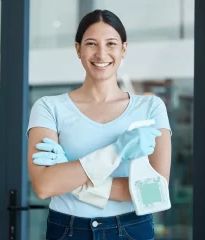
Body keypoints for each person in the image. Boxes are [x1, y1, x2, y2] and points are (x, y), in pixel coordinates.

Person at [27, 10, 172, 239]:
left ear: (124, 49)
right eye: (91, 44)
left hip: (132, 229)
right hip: (68, 229)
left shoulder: (151, 107)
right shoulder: (48, 107)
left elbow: (154, 191)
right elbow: (44, 186)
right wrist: (117, 150)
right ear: (78, 49)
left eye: (111, 43)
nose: (101, 53)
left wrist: (71, 179)